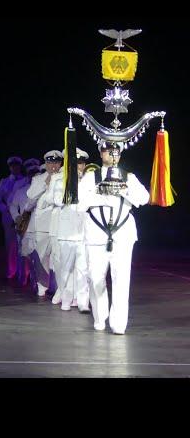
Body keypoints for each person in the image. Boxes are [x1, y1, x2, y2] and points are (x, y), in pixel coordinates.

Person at [77, 142, 149, 334]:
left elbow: (144, 198)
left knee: (121, 279)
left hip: (122, 235)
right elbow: (79, 205)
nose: (112, 154)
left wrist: (123, 190)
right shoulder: (91, 177)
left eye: (116, 151)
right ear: (101, 154)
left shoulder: (128, 176)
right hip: (96, 234)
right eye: (108, 151)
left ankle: (118, 324)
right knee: (96, 278)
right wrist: (101, 192)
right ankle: (100, 317)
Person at [49, 147, 91, 312]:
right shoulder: (60, 181)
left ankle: (82, 302)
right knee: (65, 269)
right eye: (76, 163)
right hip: (66, 232)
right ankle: (66, 300)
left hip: (84, 232)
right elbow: (58, 200)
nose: (79, 167)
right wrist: (71, 183)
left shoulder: (89, 181)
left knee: (83, 269)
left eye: (81, 164)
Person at [25, 150, 63, 297]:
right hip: (42, 225)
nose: (53, 165)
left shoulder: (64, 178)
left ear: (60, 163)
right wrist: (44, 185)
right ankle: (42, 286)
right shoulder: (38, 179)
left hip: (59, 224)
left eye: (56, 162)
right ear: (46, 163)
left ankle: (58, 287)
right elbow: (30, 197)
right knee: (41, 257)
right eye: (50, 162)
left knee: (58, 258)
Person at [0, 156, 25, 283]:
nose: (14, 168)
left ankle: (23, 272)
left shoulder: (25, 180)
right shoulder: (4, 182)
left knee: (22, 244)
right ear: (9, 167)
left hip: (22, 216)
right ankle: (11, 271)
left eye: (16, 165)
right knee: (11, 245)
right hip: (8, 216)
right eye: (12, 166)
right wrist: (5, 209)